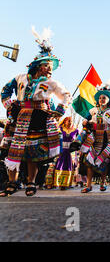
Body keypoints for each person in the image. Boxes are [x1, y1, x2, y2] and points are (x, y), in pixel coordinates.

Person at [0, 27, 72, 197]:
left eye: (51, 67)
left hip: (39, 117)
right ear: (39, 66)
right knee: (14, 150)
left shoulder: (52, 83)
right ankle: (12, 183)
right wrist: (9, 105)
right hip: (20, 116)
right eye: (47, 66)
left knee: (33, 152)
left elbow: (66, 95)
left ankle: (31, 183)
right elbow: (5, 90)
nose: (50, 69)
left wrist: (60, 110)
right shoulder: (20, 78)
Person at [75, 83, 110, 193]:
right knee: (89, 159)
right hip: (94, 137)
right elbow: (87, 120)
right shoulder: (93, 110)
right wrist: (85, 122)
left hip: (107, 137)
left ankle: (103, 182)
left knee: (105, 160)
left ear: (108, 100)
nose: (101, 99)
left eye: (104, 97)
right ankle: (88, 185)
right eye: (100, 98)